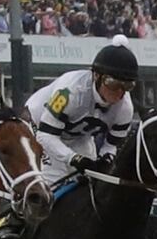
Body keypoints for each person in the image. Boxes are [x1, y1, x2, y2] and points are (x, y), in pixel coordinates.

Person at [26, 41, 141, 184]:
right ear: (96, 76)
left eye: (127, 86)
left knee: (92, 183)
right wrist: (73, 158)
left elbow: (111, 145)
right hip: (38, 128)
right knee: (52, 182)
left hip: (78, 137)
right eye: (112, 83)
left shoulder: (125, 109)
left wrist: (106, 159)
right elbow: (46, 135)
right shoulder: (70, 92)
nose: (119, 92)